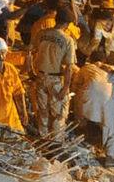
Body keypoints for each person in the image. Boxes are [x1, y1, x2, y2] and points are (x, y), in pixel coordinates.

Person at [26, 9, 77, 138]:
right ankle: (56, 143)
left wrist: (30, 70)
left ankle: (44, 141)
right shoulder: (68, 40)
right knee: (59, 114)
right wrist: (65, 88)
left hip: (40, 77)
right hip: (56, 81)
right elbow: (69, 67)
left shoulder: (41, 34)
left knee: (42, 112)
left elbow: (29, 52)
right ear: (67, 24)